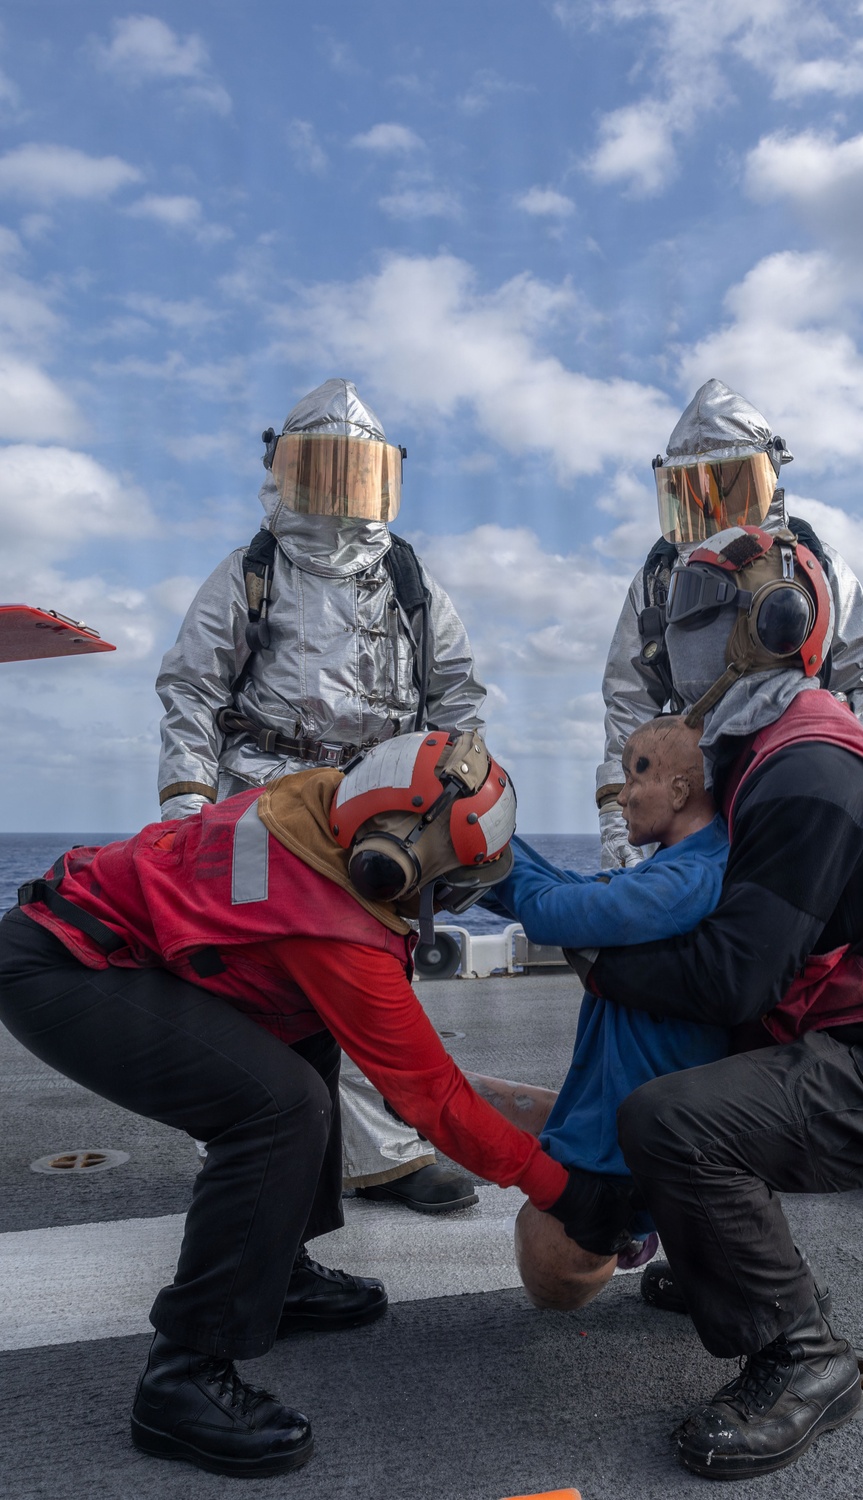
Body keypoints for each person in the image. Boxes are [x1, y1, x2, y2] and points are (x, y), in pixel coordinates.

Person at [0, 729, 632, 1478]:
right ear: (388, 865)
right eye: (450, 885)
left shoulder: (325, 810)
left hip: (112, 941)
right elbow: (431, 1097)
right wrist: (565, 1193)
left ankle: (279, 1275)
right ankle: (183, 1376)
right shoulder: (328, 922)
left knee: (305, 1032)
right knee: (278, 1108)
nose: (450, 899)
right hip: (65, 966)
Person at [570, 522, 863, 1480]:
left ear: (773, 624)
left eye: (696, 614)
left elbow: (736, 979)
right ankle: (720, 1262)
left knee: (671, 1120)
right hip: (847, 1036)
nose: (672, 639)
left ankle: (802, 1354)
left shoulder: (810, 771)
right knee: (666, 1065)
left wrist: (596, 959)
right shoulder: (764, 748)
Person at [597, 379, 863, 1215]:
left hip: (801, 781)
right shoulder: (656, 583)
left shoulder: (814, 565)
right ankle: (716, 1139)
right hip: (703, 797)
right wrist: (624, 843)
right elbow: (628, 714)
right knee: (732, 971)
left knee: (838, 957)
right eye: (695, 487)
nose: (713, 506)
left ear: (769, 479)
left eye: (731, 482)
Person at [156, 377, 484, 1214]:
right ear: (285, 471)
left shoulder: (409, 578)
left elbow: (455, 696)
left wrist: (455, 802)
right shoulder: (250, 572)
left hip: (377, 805)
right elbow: (192, 687)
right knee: (249, 979)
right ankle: (253, 1149)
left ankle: (386, 1156)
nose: (338, 491)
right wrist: (186, 805)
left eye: (354, 471)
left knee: (372, 972)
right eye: (321, 469)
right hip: (263, 803)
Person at [468, 715, 729, 1310]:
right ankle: (555, 1121)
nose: (622, 794)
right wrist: (485, 847)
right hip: (640, 1101)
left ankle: (642, 1221)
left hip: (639, 1144)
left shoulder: (688, 880)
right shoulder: (684, 861)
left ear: (681, 790)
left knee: (550, 1273)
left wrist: (472, 827)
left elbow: (556, 911)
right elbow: (575, 889)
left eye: (635, 776)